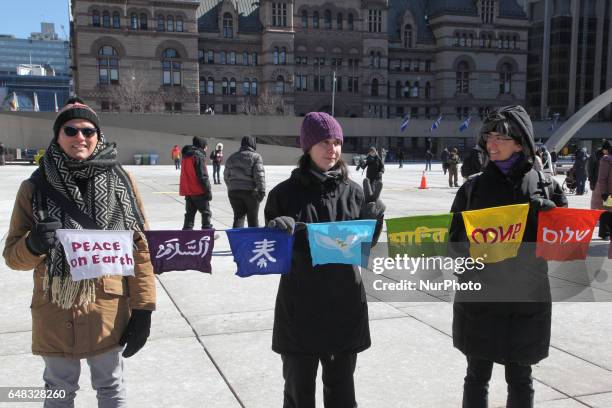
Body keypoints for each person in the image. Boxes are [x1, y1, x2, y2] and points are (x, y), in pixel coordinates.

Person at [3, 98, 156, 407]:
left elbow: (141, 250)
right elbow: (11, 256)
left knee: (111, 388)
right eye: (70, 130)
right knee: (58, 391)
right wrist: (33, 245)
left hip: (108, 309)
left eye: (88, 131)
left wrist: (144, 309)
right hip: (56, 308)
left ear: (98, 136)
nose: (80, 138)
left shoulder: (122, 183)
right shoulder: (33, 188)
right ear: (57, 136)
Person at [264, 112, 385, 408]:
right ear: (307, 147)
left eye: (336, 142)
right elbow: (269, 255)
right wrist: (275, 230)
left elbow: (363, 248)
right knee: (298, 394)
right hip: (300, 310)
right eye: (323, 142)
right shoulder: (283, 195)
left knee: (342, 393)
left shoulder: (355, 193)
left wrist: (374, 218)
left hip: (344, 307)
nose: (332, 149)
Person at [449, 105, 567, 408]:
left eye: (500, 137)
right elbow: (452, 242)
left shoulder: (546, 185)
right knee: (476, 375)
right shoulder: (472, 187)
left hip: (525, 299)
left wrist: (551, 218)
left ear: (520, 141)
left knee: (521, 378)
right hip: (481, 298)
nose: (492, 143)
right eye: (488, 137)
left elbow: (563, 245)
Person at [223, 136, 265, 228]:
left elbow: (226, 176)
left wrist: (232, 187)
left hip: (234, 191)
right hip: (250, 192)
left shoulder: (231, 157)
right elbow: (259, 175)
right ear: (253, 144)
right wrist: (261, 191)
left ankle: (237, 241)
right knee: (253, 218)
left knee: (238, 217)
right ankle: (253, 240)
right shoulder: (256, 157)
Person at [180, 136, 213, 230]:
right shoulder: (198, 156)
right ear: (202, 146)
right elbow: (202, 176)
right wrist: (208, 191)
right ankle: (207, 232)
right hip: (198, 190)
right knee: (206, 212)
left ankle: (187, 234)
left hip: (188, 190)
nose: (206, 148)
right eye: (206, 146)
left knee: (189, 214)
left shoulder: (186, 155)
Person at [592, 143, 612, 240]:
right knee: (607, 211)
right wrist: (604, 192)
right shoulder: (606, 159)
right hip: (608, 191)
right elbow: (602, 178)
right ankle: (605, 233)